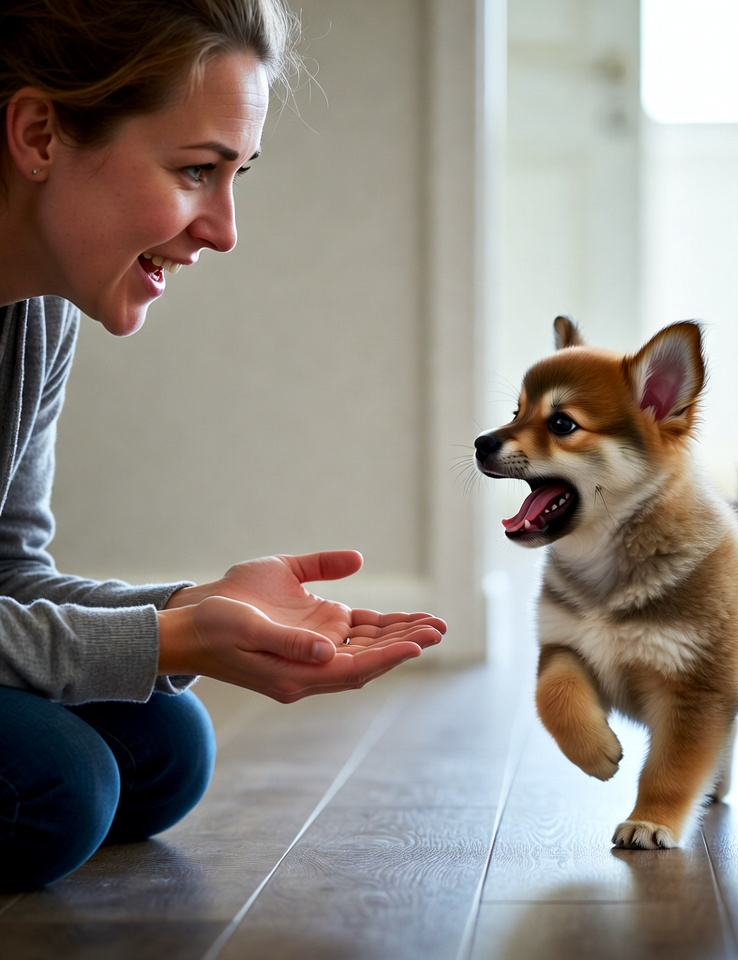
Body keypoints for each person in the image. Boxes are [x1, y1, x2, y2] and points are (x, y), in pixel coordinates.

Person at [0, 0, 446, 892]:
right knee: (61, 787)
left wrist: (195, 605)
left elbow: (11, 574)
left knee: (164, 748)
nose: (225, 228)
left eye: (237, 173)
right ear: (42, 133)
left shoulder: (40, 315)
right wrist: (173, 640)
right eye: (198, 170)